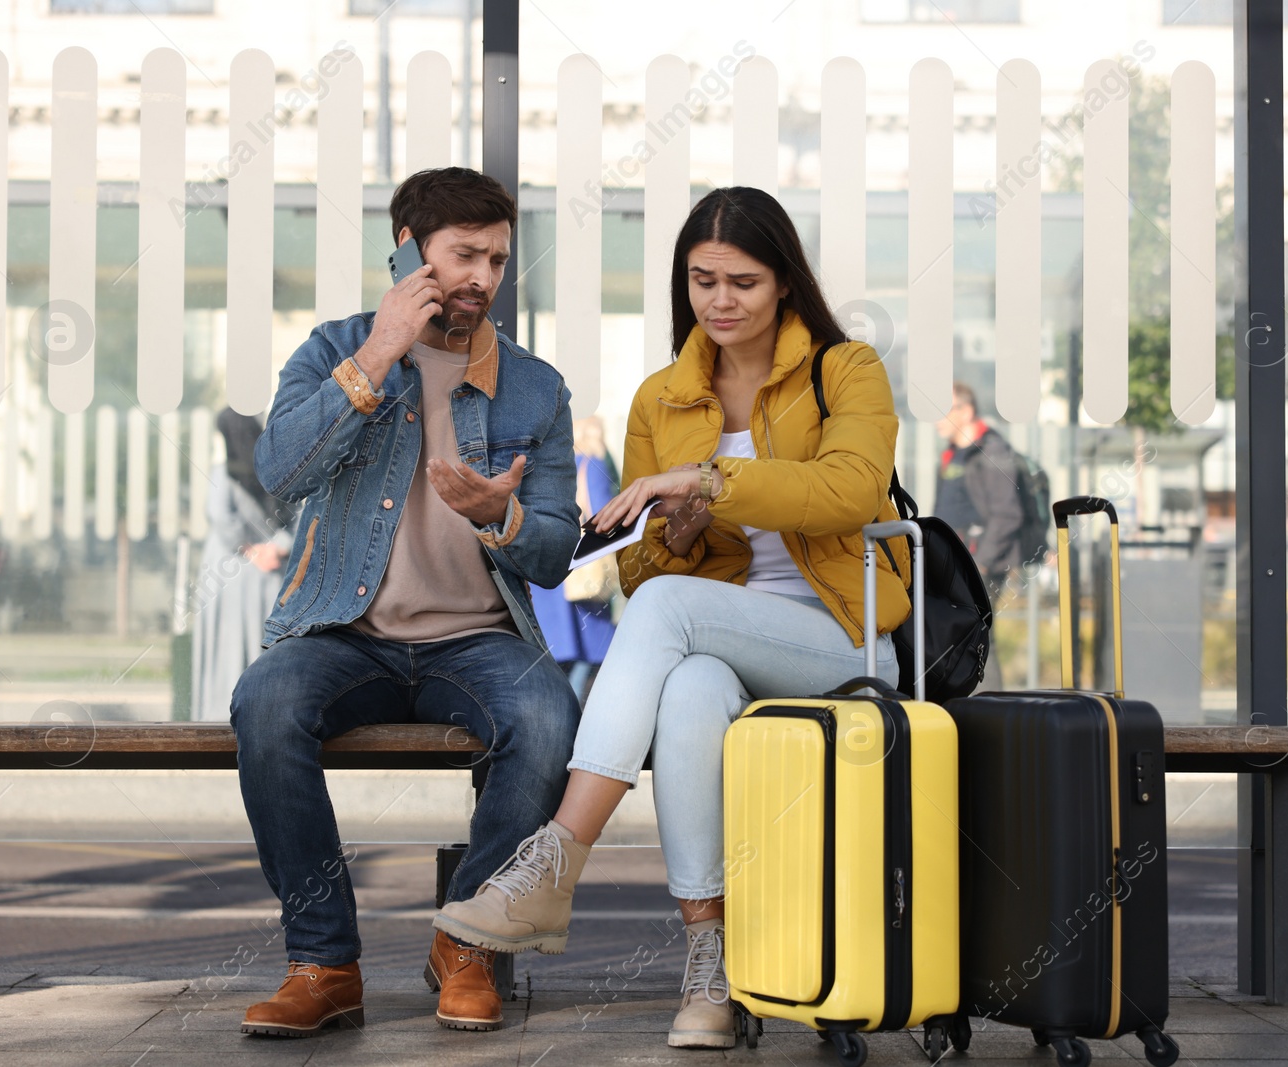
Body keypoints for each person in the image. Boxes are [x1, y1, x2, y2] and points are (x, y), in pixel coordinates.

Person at [433, 185, 910, 1050]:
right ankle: (711, 964)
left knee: (670, 614)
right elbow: (644, 570)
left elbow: (850, 488)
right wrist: (684, 536)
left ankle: (556, 860)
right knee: (688, 687)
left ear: (785, 286)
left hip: (842, 640)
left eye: (744, 282)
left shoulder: (848, 369)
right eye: (702, 281)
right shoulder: (663, 398)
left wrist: (704, 481)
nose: (721, 301)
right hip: (715, 639)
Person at [229, 167, 583, 1037]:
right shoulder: (332, 351)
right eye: (465, 254)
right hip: (345, 631)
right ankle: (324, 961)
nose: (484, 277)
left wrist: (497, 513)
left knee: (546, 717)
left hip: (479, 640)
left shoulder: (536, 389)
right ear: (407, 253)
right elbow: (280, 473)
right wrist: (379, 355)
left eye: (498, 259)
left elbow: (555, 552)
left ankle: (465, 940)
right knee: (265, 701)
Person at [190, 409, 295, 722]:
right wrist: (275, 548)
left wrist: (250, 550)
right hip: (269, 575)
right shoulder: (277, 469)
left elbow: (222, 520)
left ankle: (219, 713)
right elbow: (296, 515)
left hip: (227, 574)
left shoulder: (222, 472)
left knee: (226, 647)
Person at [933, 382, 1025, 688]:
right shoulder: (951, 456)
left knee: (981, 639)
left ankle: (992, 713)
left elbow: (1008, 514)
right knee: (957, 639)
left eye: (942, 410)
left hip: (979, 564)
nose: (935, 419)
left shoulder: (992, 451)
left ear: (966, 411)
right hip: (954, 563)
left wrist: (981, 563)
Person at [529, 416, 619, 703]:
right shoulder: (594, 463)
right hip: (583, 571)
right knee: (590, 653)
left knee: (563, 653)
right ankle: (576, 714)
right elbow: (604, 512)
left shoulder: (558, 463)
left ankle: (561, 709)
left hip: (554, 571)